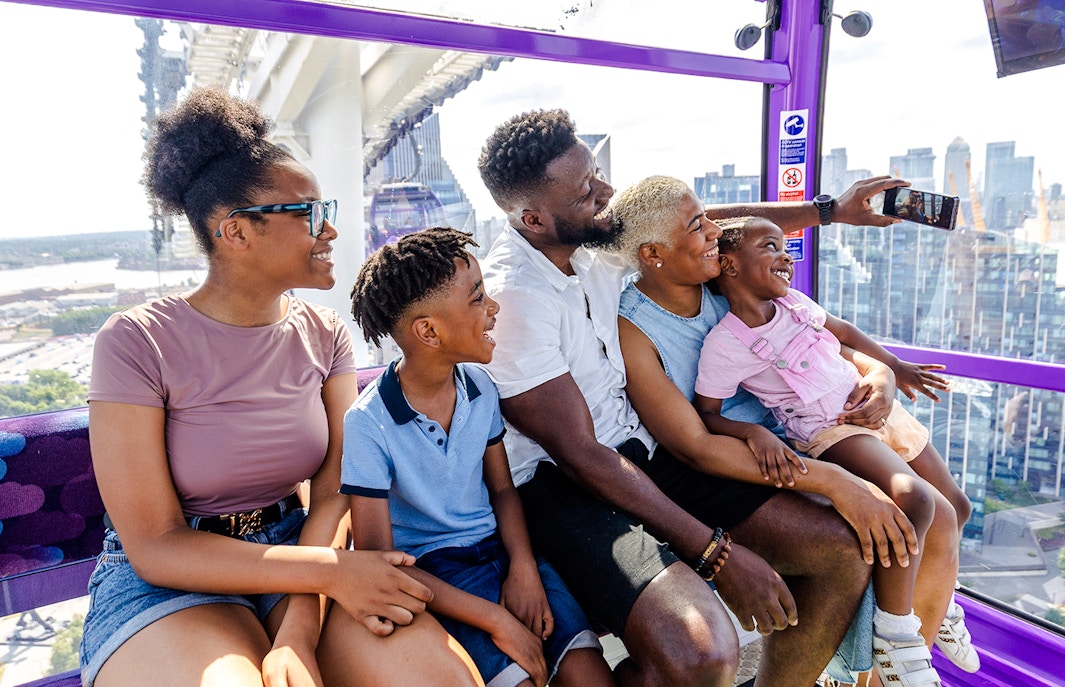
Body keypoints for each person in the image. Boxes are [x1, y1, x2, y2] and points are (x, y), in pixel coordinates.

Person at [476, 108, 918, 687]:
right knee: (704, 652)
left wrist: (829, 212)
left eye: (598, 174)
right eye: (587, 191)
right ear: (534, 218)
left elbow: (689, 225)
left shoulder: (589, 239)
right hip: (566, 484)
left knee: (843, 552)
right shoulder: (516, 298)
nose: (606, 193)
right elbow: (581, 455)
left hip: (648, 453)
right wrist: (717, 553)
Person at [81, 87, 481, 687]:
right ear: (236, 232)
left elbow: (331, 493)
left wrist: (300, 628)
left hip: (299, 548)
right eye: (311, 214)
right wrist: (327, 573)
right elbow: (155, 544)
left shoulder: (323, 334)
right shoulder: (137, 342)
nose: (331, 232)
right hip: (171, 576)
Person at [609, 177, 979, 686]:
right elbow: (695, 444)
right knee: (885, 526)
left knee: (938, 512)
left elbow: (819, 342)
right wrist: (828, 479)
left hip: (796, 433)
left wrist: (882, 373)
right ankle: (870, 661)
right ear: (653, 253)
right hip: (741, 458)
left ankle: (899, 661)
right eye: (700, 225)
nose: (715, 230)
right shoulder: (637, 329)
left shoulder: (724, 281)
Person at [343, 228, 615, 687]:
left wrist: (524, 568)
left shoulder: (481, 388)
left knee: (590, 678)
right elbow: (381, 563)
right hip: (436, 579)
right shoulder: (368, 423)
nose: (494, 309)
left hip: (504, 555)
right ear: (428, 330)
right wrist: (496, 620)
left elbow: (503, 490)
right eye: (477, 299)